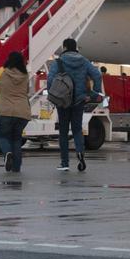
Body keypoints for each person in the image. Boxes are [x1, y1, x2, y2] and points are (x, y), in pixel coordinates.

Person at [47, 38, 102, 171]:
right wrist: (94, 94)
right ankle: (80, 154)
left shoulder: (59, 62)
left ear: (64, 47)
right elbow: (97, 75)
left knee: (63, 132)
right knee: (77, 130)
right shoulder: (83, 61)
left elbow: (50, 79)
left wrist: (53, 94)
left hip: (62, 101)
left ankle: (65, 163)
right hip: (79, 100)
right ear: (76, 47)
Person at [0, 51, 31, 173]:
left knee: (3, 137)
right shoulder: (25, 75)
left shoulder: (2, 72)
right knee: (16, 139)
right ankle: (16, 168)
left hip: (4, 111)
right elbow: (27, 91)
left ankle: (7, 153)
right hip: (22, 112)